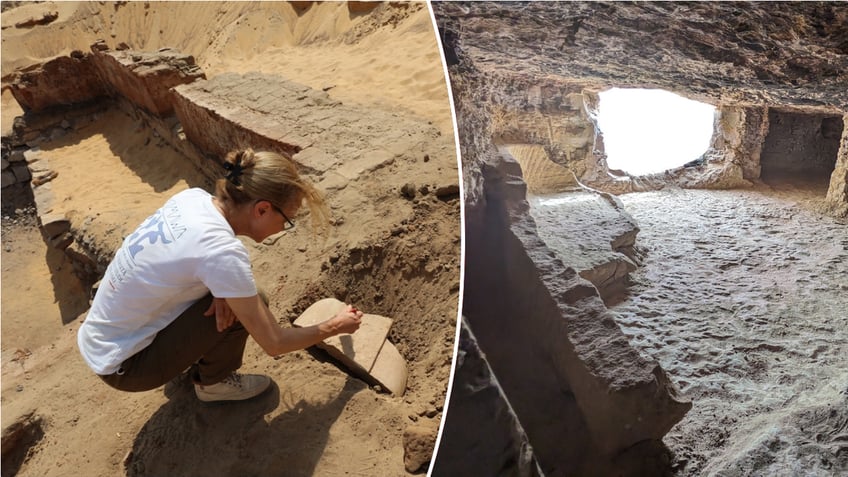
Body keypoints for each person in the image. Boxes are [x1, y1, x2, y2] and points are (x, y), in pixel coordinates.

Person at [77, 148, 362, 402]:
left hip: (101, 337)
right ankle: (214, 384)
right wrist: (335, 326)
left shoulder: (192, 199)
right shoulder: (221, 252)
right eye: (286, 220)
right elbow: (275, 343)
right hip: (125, 366)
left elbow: (194, 257)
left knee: (233, 294)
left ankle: (190, 356)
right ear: (262, 209)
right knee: (252, 302)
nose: (283, 228)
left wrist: (221, 290)